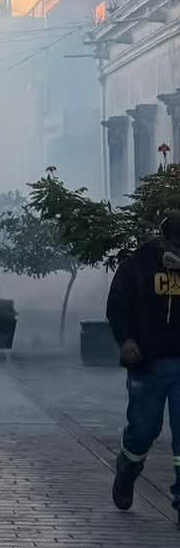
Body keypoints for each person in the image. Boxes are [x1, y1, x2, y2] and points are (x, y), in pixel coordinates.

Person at [107, 210, 180, 521]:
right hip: (147, 366)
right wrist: (126, 340)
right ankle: (127, 469)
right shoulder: (136, 265)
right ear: (164, 239)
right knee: (143, 429)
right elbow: (117, 306)